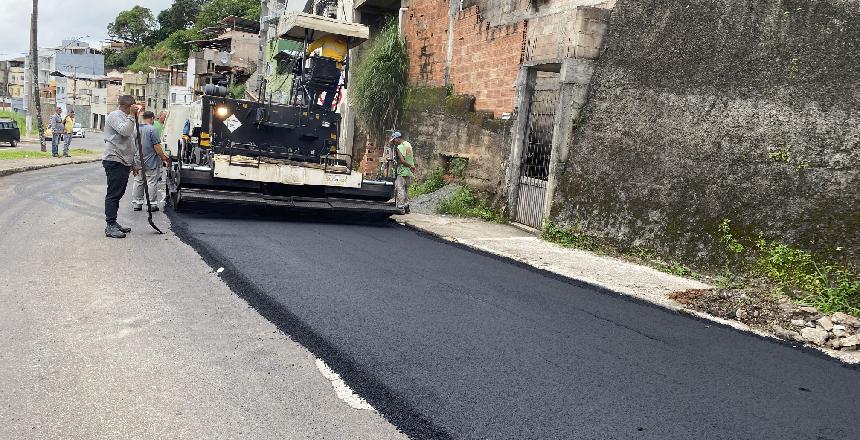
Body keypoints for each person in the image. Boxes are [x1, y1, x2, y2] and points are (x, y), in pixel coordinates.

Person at [102, 95, 142, 239]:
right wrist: (132, 115)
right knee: (113, 193)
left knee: (118, 193)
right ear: (129, 106)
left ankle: (114, 222)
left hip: (124, 161)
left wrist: (133, 163)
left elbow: (131, 142)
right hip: (114, 159)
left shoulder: (129, 119)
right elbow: (124, 131)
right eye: (135, 107)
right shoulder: (115, 116)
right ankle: (110, 225)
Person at [131, 111, 169, 213]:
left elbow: (131, 146)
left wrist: (132, 162)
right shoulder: (152, 129)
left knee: (138, 181)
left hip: (138, 161)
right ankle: (152, 204)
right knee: (151, 182)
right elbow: (157, 146)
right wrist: (163, 158)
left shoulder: (135, 128)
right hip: (151, 162)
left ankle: (137, 203)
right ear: (152, 118)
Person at [305, 33, 348, 109]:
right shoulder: (345, 44)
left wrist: (307, 54)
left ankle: (309, 103)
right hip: (334, 73)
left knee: (311, 85)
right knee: (332, 90)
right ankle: (326, 107)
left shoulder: (328, 37)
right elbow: (344, 59)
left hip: (321, 70)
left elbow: (313, 45)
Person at [390, 131, 416, 209]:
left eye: (394, 140)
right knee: (405, 189)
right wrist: (411, 166)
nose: (394, 142)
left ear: (397, 138)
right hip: (409, 171)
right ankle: (406, 205)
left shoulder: (400, 147)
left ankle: (401, 205)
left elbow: (402, 161)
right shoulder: (408, 144)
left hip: (403, 170)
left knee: (399, 187)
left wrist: (410, 166)